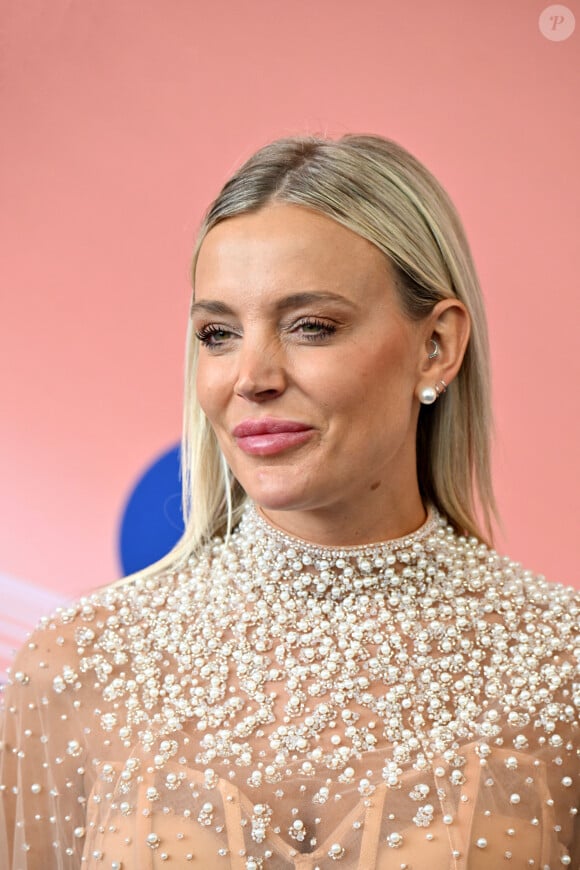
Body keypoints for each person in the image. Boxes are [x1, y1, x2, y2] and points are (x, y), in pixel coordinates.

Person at [1, 134, 579, 869]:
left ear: (436, 345)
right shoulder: (76, 662)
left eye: (311, 326)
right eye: (219, 333)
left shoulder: (565, 662)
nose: (253, 376)